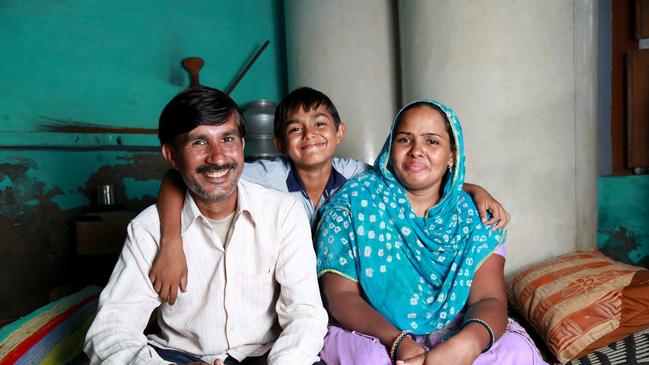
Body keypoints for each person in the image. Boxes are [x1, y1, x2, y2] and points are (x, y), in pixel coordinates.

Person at [149, 87, 511, 304]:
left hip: (346, 288)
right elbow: (178, 179)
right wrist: (171, 242)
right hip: (282, 291)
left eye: (320, 124)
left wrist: (471, 188)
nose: (309, 135)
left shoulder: (358, 175)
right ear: (279, 143)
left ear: (339, 133)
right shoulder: (263, 176)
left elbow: (409, 174)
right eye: (295, 129)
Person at [84, 87, 328, 365]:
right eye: (198, 142)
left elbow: (305, 313)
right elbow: (110, 332)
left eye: (227, 138)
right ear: (171, 156)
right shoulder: (148, 230)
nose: (218, 157)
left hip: (268, 356)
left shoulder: (283, 213)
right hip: (181, 358)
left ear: (243, 145)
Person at [316, 100, 547, 365]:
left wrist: (466, 344)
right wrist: (397, 341)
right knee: (369, 359)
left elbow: (488, 298)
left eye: (432, 142)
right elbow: (341, 297)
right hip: (377, 334)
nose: (417, 151)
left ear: (452, 155)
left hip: (456, 333)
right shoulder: (354, 204)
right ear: (391, 149)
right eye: (405, 139)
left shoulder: (476, 215)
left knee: (516, 353)